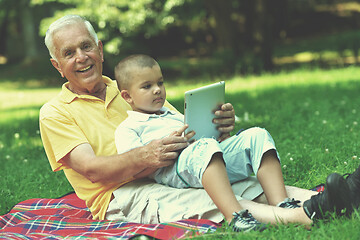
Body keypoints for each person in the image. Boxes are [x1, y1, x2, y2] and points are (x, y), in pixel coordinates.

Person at [39, 14, 358, 233]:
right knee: (213, 197)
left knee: (244, 184)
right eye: (69, 53)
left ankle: (341, 194)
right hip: (122, 194)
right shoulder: (55, 113)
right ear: (57, 66)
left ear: (100, 50)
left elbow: (183, 129)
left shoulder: (134, 84)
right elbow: (94, 170)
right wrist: (147, 156)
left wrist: (218, 127)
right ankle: (305, 215)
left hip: (172, 169)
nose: (81, 57)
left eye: (86, 46)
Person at [113, 54, 302, 231]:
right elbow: (134, 170)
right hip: (175, 171)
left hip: (207, 158)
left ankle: (282, 203)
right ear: (127, 96)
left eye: (160, 82)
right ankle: (236, 216)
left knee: (257, 135)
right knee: (205, 146)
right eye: (147, 86)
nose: (157, 89)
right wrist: (165, 151)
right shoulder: (128, 128)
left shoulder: (175, 115)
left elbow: (208, 140)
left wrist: (216, 126)